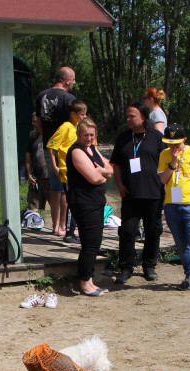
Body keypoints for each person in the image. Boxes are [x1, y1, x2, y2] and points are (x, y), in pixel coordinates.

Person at [110, 102, 164, 285]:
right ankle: (126, 268)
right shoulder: (124, 138)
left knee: (152, 231)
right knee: (128, 231)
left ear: (143, 116)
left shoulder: (157, 138)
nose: (128, 119)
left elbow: (166, 166)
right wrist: (119, 185)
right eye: (127, 116)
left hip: (153, 193)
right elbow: (116, 164)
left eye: (132, 116)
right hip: (130, 194)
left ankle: (149, 266)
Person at [157, 123, 190, 294]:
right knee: (181, 244)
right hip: (172, 206)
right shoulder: (164, 155)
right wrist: (172, 163)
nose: (172, 146)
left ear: (184, 140)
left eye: (176, 143)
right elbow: (163, 180)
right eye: (170, 142)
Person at [66, 118, 114, 296]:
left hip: (95, 200)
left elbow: (110, 169)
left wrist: (101, 171)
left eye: (92, 135)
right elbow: (95, 178)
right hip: (84, 202)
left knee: (93, 242)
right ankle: (85, 284)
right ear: (78, 134)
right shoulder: (77, 151)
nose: (89, 138)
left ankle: (90, 280)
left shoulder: (92, 148)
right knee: (90, 244)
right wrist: (101, 174)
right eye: (85, 134)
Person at [36, 66, 77, 240]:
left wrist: (45, 137)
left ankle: (55, 226)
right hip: (65, 147)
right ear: (67, 80)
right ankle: (63, 225)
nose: (74, 83)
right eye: (73, 80)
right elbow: (74, 123)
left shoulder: (41, 95)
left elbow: (38, 120)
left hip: (48, 145)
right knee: (66, 188)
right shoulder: (68, 98)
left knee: (55, 187)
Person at [47, 100, 87, 243]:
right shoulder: (66, 127)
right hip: (67, 170)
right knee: (71, 199)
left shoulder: (79, 128)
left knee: (76, 199)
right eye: (81, 114)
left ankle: (71, 229)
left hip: (78, 170)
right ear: (73, 114)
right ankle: (68, 231)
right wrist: (55, 166)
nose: (84, 116)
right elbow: (52, 146)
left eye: (85, 114)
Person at [25, 113, 51, 211]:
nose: (33, 123)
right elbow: (28, 157)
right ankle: (34, 223)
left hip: (50, 177)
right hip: (36, 177)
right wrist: (29, 174)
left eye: (35, 121)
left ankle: (57, 225)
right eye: (32, 121)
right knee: (32, 204)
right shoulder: (32, 135)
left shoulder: (51, 134)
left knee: (55, 205)